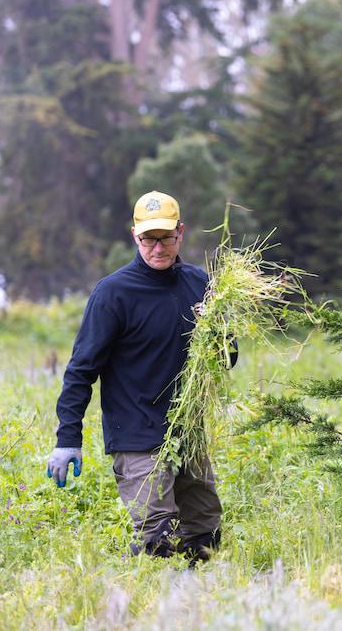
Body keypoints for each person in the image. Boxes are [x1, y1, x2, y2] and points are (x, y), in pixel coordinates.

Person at [46, 191, 231, 565]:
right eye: (149, 238)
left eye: (165, 236)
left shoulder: (199, 283)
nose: (158, 247)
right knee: (159, 538)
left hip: (187, 433)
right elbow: (80, 371)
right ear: (135, 235)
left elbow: (226, 358)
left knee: (205, 537)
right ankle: (137, 609)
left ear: (181, 233)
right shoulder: (113, 294)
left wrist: (217, 327)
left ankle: (194, 615)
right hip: (136, 435)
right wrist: (68, 439)